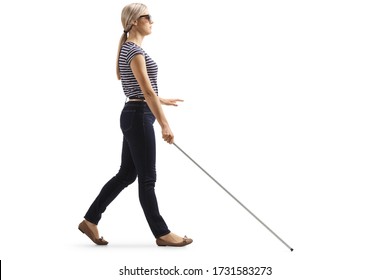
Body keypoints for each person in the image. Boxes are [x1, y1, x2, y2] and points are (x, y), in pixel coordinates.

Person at [78, 3, 193, 247]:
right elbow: (147, 92)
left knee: (126, 174)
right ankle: (162, 233)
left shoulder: (131, 49)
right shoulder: (134, 51)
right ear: (133, 21)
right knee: (147, 178)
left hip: (135, 114)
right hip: (139, 116)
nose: (152, 21)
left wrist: (162, 100)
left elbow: (143, 91)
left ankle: (90, 220)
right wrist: (165, 124)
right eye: (147, 17)